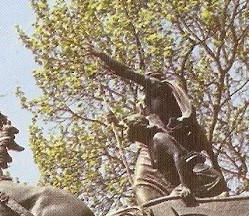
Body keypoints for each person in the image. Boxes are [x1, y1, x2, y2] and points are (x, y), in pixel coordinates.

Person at [90, 48, 227, 205]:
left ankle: (178, 194)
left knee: (143, 181)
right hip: (153, 142)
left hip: (163, 140)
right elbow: (141, 123)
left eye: (144, 81)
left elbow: (126, 71)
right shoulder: (152, 101)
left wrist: (102, 56)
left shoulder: (156, 86)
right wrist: (117, 123)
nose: (142, 87)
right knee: (143, 182)